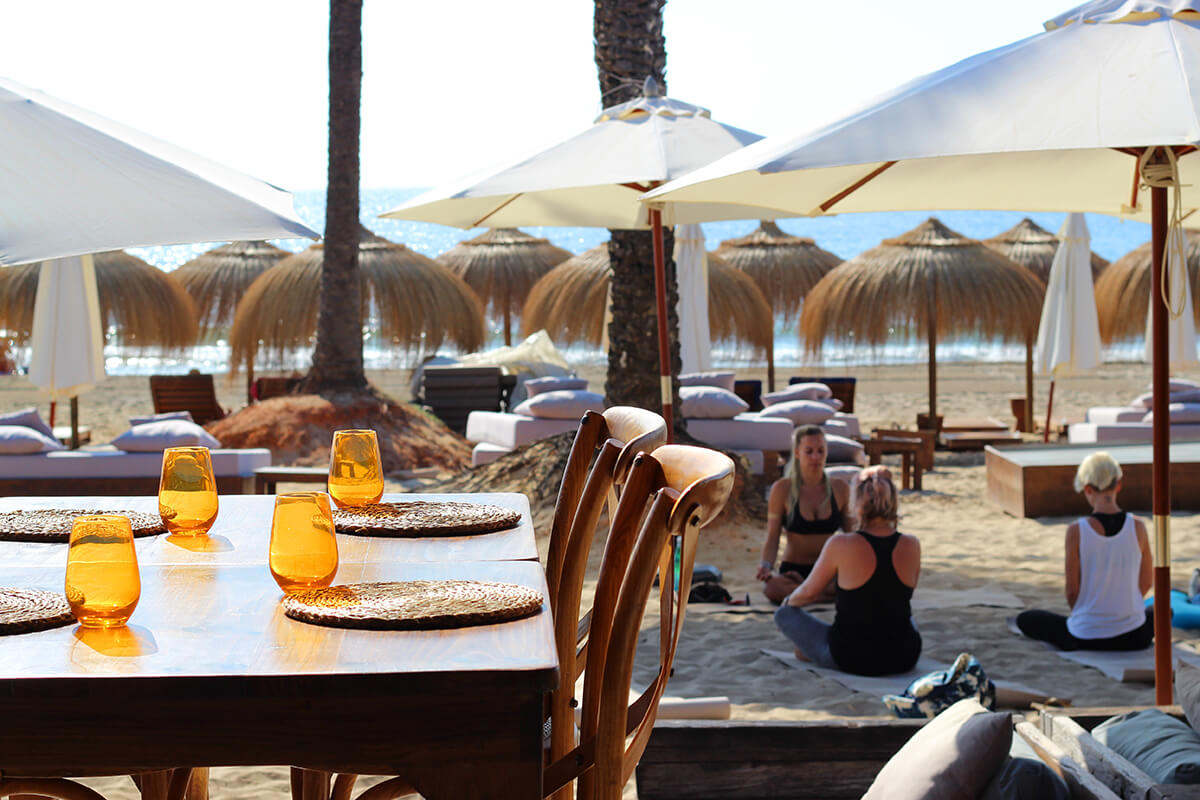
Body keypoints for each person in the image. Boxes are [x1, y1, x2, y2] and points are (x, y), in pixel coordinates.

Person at [774, 465, 922, 676]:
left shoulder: (841, 543)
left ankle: (811, 649)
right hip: (905, 656)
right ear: (893, 503)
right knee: (904, 616)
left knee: (783, 615)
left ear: (858, 506)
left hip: (852, 657)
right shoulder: (912, 544)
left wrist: (788, 602)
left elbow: (808, 593)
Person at [1015, 452, 1153, 651]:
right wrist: (1122, 605)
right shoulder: (1138, 527)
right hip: (1134, 636)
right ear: (1119, 485)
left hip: (1087, 636)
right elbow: (1147, 580)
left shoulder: (1077, 531)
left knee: (1026, 619)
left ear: (1087, 488)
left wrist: (1091, 614)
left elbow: (1072, 591)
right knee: (1163, 612)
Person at [757, 425, 851, 605]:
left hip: (829, 571)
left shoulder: (840, 488)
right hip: (793, 572)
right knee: (772, 588)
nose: (816, 457)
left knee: (856, 584)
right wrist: (766, 566)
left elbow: (851, 535)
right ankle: (817, 594)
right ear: (797, 453)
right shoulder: (782, 489)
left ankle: (807, 593)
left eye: (820, 451)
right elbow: (772, 536)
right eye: (809, 451)